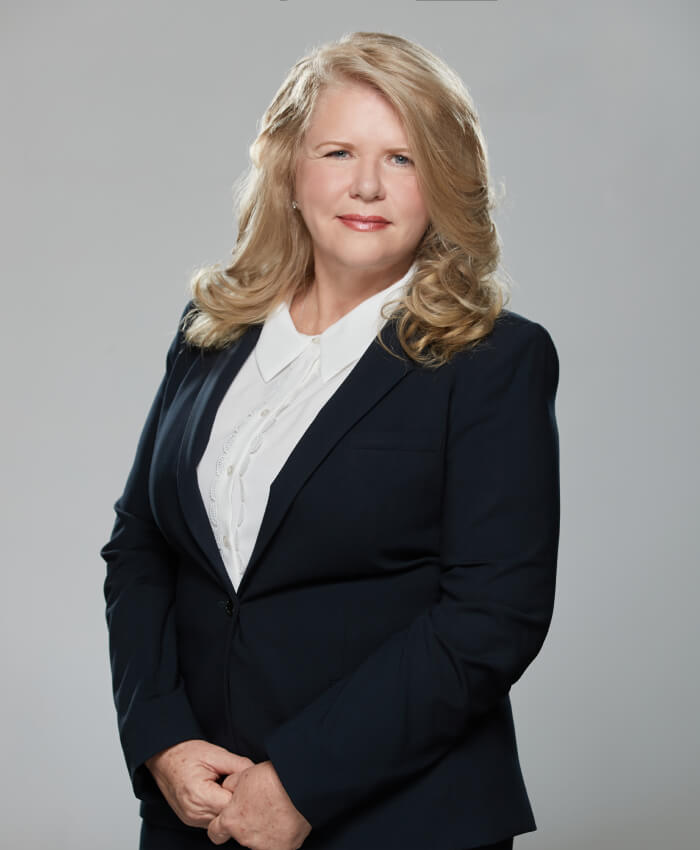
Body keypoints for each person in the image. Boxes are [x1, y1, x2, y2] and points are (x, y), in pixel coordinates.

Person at [100, 31, 560, 850]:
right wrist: (161, 739)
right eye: (339, 151)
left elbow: (492, 618)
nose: (367, 185)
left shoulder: (495, 360)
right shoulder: (212, 333)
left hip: (401, 823)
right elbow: (140, 546)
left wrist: (300, 782)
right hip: (197, 816)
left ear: (442, 181)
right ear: (289, 170)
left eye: (403, 158)